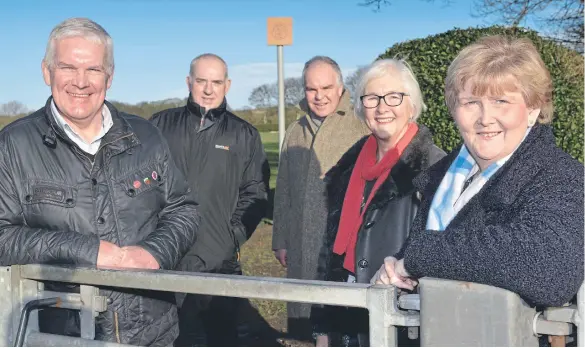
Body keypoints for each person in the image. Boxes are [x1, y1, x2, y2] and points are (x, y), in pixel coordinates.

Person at [0, 17, 200, 346]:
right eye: (67, 67)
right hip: (58, 334)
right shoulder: (13, 146)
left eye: (93, 69)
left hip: (151, 332)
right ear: (46, 71)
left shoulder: (146, 136)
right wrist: (88, 251)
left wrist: (155, 252)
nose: (81, 82)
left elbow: (184, 209)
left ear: (110, 76)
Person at [371, 36, 584, 310]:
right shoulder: (442, 179)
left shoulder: (561, 176)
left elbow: (549, 266)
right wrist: (394, 272)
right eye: (471, 102)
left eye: (500, 101)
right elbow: (432, 252)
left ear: (532, 109)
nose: (485, 118)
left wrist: (414, 258)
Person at [311, 59, 444, 347]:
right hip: (347, 309)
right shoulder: (348, 167)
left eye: (394, 96)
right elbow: (329, 248)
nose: (382, 107)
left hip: (403, 317)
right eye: (372, 98)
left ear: (412, 105)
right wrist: (322, 324)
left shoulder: (433, 169)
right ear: (361, 107)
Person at [151, 53, 269, 346]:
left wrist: (232, 236)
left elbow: (256, 192)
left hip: (219, 260)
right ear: (189, 81)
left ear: (227, 84)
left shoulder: (244, 134)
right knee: (169, 338)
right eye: (201, 80)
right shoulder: (159, 125)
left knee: (221, 338)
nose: (208, 89)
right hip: (165, 255)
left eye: (216, 82)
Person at [272, 56, 370, 339]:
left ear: (341, 88)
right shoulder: (295, 130)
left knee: (338, 320)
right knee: (306, 318)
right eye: (311, 89)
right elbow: (284, 191)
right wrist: (280, 239)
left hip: (341, 245)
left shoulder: (360, 126)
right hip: (301, 241)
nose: (319, 96)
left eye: (326, 87)